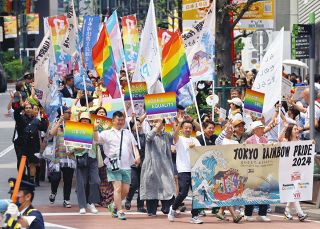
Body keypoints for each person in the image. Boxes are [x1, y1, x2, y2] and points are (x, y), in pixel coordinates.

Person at [94, 111, 141, 220]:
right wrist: (95, 129)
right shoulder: (107, 133)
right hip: (113, 164)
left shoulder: (128, 133)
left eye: (122, 120)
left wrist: (137, 156)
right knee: (118, 188)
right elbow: (97, 140)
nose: (120, 122)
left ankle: (114, 205)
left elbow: (134, 146)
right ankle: (120, 211)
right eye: (118, 120)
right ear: (113, 121)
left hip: (127, 165)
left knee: (126, 190)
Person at [168, 119, 202, 224]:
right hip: (183, 169)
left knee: (197, 194)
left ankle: (195, 216)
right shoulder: (179, 139)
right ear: (182, 129)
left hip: (195, 169)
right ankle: (173, 209)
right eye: (186, 128)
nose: (188, 129)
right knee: (183, 193)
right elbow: (174, 135)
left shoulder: (195, 140)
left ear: (192, 129)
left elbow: (201, 152)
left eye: (190, 128)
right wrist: (179, 124)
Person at [140, 119, 175, 216]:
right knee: (151, 188)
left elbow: (175, 135)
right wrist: (157, 126)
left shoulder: (166, 135)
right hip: (151, 166)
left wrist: (175, 122)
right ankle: (151, 210)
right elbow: (149, 137)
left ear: (164, 124)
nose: (157, 123)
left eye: (159, 122)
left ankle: (167, 208)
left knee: (167, 187)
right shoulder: (148, 133)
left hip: (165, 166)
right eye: (154, 122)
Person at [69, 112, 100, 214]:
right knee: (81, 183)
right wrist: (78, 147)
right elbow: (69, 149)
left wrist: (95, 129)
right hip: (81, 158)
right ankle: (82, 205)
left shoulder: (93, 129)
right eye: (83, 120)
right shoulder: (74, 131)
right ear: (80, 121)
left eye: (87, 120)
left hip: (92, 158)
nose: (85, 121)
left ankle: (91, 203)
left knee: (95, 181)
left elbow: (97, 140)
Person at [48, 107, 76, 208]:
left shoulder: (73, 124)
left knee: (68, 179)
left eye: (70, 112)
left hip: (69, 157)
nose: (69, 114)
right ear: (62, 113)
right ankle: (53, 192)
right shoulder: (56, 123)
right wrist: (59, 121)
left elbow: (78, 140)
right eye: (67, 112)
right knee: (55, 177)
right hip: (57, 156)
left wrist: (73, 150)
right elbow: (51, 133)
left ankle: (66, 199)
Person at [279, 123, 308, 221]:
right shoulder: (286, 141)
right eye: (295, 129)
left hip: (298, 171)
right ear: (290, 131)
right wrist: (285, 128)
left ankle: (287, 211)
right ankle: (300, 213)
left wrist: (311, 143)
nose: (297, 130)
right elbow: (279, 139)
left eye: (297, 129)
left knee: (294, 190)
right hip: (287, 171)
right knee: (295, 190)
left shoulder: (300, 142)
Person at [14, 102, 48, 183]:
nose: (28, 109)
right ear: (24, 110)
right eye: (26, 108)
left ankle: (32, 180)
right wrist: (21, 106)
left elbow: (43, 128)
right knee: (21, 164)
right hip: (22, 145)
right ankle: (21, 179)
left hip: (33, 145)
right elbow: (16, 113)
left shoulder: (36, 120)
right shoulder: (20, 118)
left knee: (33, 164)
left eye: (30, 108)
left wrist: (43, 118)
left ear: (33, 110)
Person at [244, 121, 271, 222]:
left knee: (264, 190)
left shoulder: (265, 140)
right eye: (260, 128)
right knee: (251, 192)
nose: (262, 129)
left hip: (263, 169)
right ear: (255, 129)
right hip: (252, 170)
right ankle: (248, 213)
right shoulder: (249, 141)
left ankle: (262, 214)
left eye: (262, 128)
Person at [93, 107, 114, 208]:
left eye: (103, 112)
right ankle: (99, 198)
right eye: (99, 112)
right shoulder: (92, 125)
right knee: (98, 177)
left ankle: (108, 198)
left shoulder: (110, 125)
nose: (101, 113)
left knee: (108, 176)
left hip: (108, 152)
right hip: (96, 152)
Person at [125, 119, 147, 213]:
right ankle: (128, 199)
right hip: (132, 164)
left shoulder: (144, 136)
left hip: (143, 163)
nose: (139, 126)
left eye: (139, 125)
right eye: (136, 125)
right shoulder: (129, 136)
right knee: (134, 184)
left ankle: (140, 205)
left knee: (142, 185)